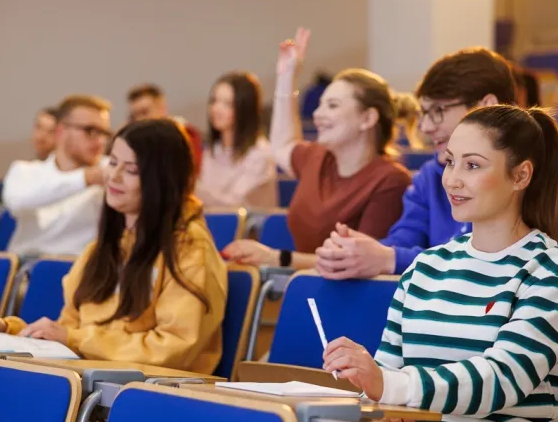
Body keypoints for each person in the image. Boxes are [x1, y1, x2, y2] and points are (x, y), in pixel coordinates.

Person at [323, 105, 558, 422]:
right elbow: (386, 378)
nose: (452, 179)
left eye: (472, 165)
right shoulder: (425, 267)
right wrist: (379, 396)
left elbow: (502, 379)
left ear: (521, 176)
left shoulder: (551, 271)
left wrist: (391, 386)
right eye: (449, 162)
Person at [0, 119, 228, 373]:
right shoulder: (104, 245)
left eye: (132, 170)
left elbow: (174, 348)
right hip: (94, 384)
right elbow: (69, 330)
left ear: (162, 180)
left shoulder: (189, 246)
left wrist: (74, 339)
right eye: (113, 163)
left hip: (153, 397)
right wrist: (9, 331)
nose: (115, 177)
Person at [316, 48, 516, 279]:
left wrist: (391, 259)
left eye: (438, 111)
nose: (426, 128)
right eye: (424, 114)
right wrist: (357, 251)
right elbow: (404, 237)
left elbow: (487, 262)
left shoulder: (522, 176)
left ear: (485, 106)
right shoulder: (429, 176)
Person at [221, 28, 411, 269]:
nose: (318, 115)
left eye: (332, 106)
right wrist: (287, 76)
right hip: (309, 286)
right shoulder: (317, 158)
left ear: (368, 118)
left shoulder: (390, 180)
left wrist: (278, 258)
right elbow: (282, 145)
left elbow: (360, 262)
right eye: (320, 105)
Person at [3, 95, 112, 256]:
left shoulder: (111, 169)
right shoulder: (26, 171)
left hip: (84, 270)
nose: (101, 142)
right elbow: (17, 202)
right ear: (61, 131)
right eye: (90, 131)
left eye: (104, 133)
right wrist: (85, 179)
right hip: (28, 269)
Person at [195, 71, 277, 209]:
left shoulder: (260, 153)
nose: (216, 109)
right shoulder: (214, 150)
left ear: (245, 109)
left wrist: (192, 189)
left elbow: (235, 205)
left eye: (227, 104)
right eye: (214, 101)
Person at [127, 83, 203, 174]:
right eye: (134, 116)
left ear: (162, 108)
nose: (139, 120)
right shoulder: (130, 141)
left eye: (144, 112)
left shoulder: (185, 135)